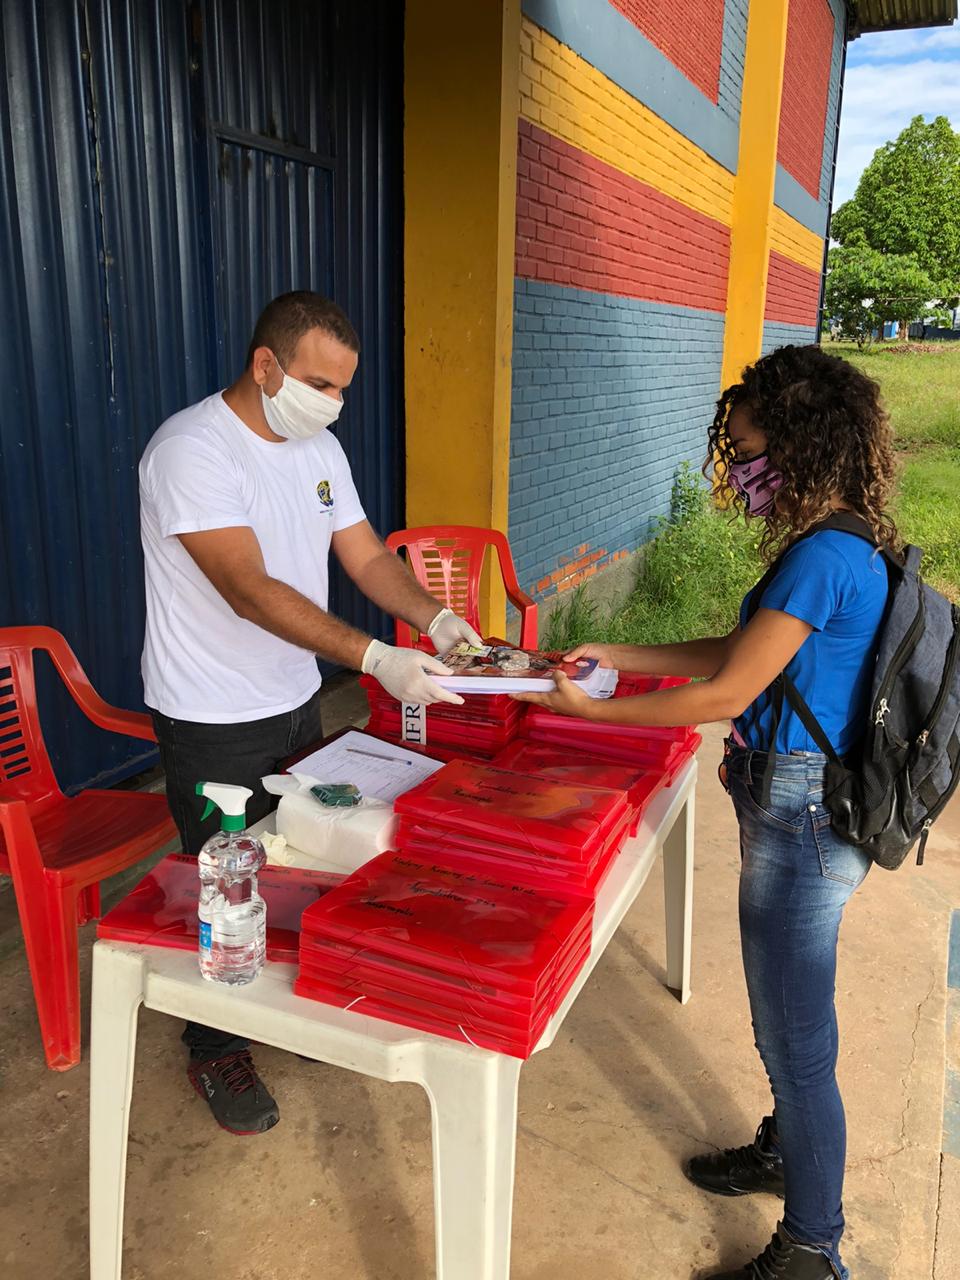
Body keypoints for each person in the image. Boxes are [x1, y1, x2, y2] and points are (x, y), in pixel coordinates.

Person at [516, 344, 896, 1280]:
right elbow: (738, 651)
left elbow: (726, 693)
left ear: (801, 444)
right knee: (793, 1026)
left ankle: (814, 1247)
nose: (742, 469)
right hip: (809, 806)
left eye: (750, 449)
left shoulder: (822, 556)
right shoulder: (847, 540)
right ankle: (785, 1150)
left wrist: (593, 710)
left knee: (796, 1039)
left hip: (802, 817)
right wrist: (616, 649)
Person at [139, 290, 480, 1135]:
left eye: (342, 390)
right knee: (225, 873)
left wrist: (432, 619)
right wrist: (376, 659)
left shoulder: (316, 446)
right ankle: (214, 1043)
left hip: (294, 699)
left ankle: (278, 1007)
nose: (333, 403)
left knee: (301, 858)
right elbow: (249, 589)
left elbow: (365, 556)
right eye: (321, 383)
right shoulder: (192, 450)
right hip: (212, 709)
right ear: (266, 366)